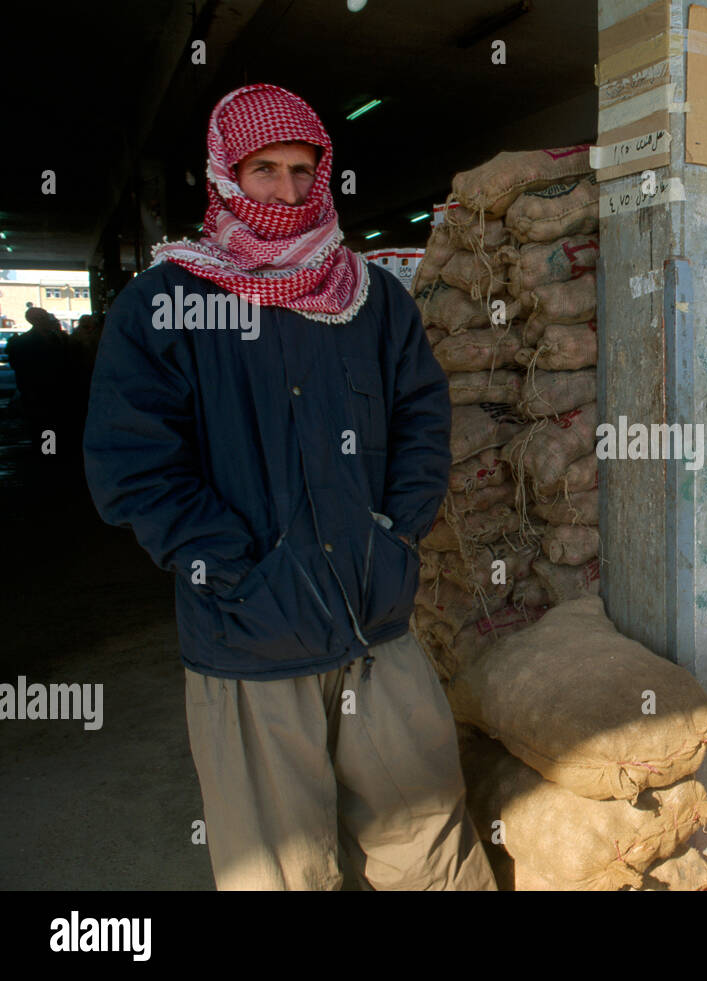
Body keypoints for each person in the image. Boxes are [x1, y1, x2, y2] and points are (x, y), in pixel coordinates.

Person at [83, 83, 494, 891]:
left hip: (376, 624)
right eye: (264, 170)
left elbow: (421, 416)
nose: (286, 191)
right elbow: (132, 463)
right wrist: (236, 569)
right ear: (225, 176)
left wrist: (396, 533)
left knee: (429, 843)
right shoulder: (166, 303)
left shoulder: (369, 297)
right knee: (280, 869)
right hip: (251, 639)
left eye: (302, 171)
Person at [6, 306, 73, 448]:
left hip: (53, 391)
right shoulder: (24, 342)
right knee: (45, 425)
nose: (48, 319)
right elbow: (22, 368)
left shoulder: (57, 338)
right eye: (44, 316)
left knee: (50, 425)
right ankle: (48, 451)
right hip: (39, 392)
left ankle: (50, 450)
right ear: (36, 320)